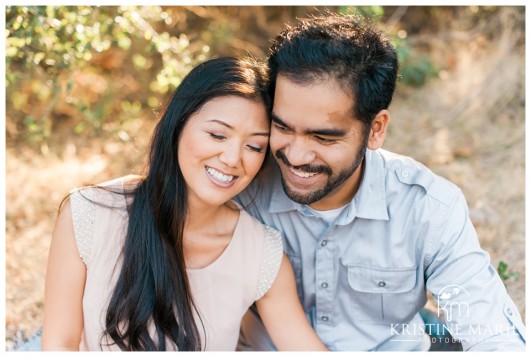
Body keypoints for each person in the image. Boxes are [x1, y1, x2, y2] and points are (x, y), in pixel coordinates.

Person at [235, 14, 526, 351]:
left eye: (323, 138)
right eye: (283, 128)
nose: (297, 155)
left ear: (376, 130)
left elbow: (491, 331)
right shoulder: (240, 191)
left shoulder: (428, 208)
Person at [41, 57, 327, 351]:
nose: (232, 158)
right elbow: (59, 344)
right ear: (177, 124)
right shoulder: (90, 214)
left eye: (254, 146)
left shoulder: (260, 252)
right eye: (217, 134)